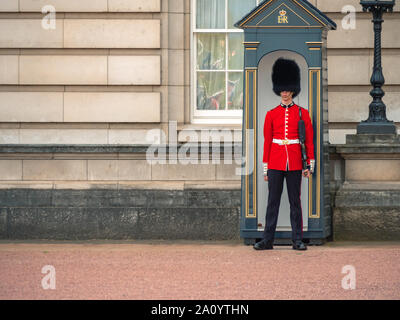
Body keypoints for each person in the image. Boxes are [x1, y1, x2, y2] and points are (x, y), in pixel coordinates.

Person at [253, 58, 315, 251]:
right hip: (275, 163)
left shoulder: (302, 113)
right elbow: (267, 142)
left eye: (288, 90)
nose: (285, 93)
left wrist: (309, 165)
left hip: (296, 162)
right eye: (283, 89)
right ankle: (267, 240)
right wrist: (265, 167)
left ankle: (297, 240)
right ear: (279, 90)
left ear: (292, 90)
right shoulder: (271, 114)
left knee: (295, 202)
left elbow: (309, 141)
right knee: (273, 202)